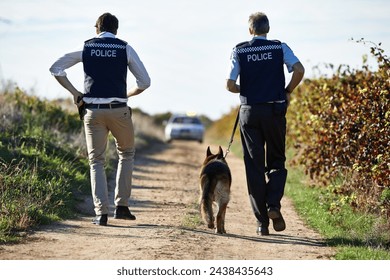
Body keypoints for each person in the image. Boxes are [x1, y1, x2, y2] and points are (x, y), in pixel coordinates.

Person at [49, 13, 151, 226]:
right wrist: (127, 94)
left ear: (96, 29)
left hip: (93, 112)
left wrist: (75, 92)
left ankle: (101, 213)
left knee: (96, 161)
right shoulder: (125, 49)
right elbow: (145, 82)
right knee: (127, 154)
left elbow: (56, 68)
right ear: (116, 30)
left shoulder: (86, 48)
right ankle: (121, 207)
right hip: (119, 111)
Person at [226, 12, 304, 236]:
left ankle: (262, 224)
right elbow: (299, 70)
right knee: (277, 161)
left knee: (254, 166)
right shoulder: (280, 47)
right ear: (267, 29)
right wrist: (287, 90)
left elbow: (230, 84)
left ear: (250, 30)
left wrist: (248, 88)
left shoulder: (239, 50)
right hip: (275, 110)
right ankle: (273, 205)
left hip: (250, 113)